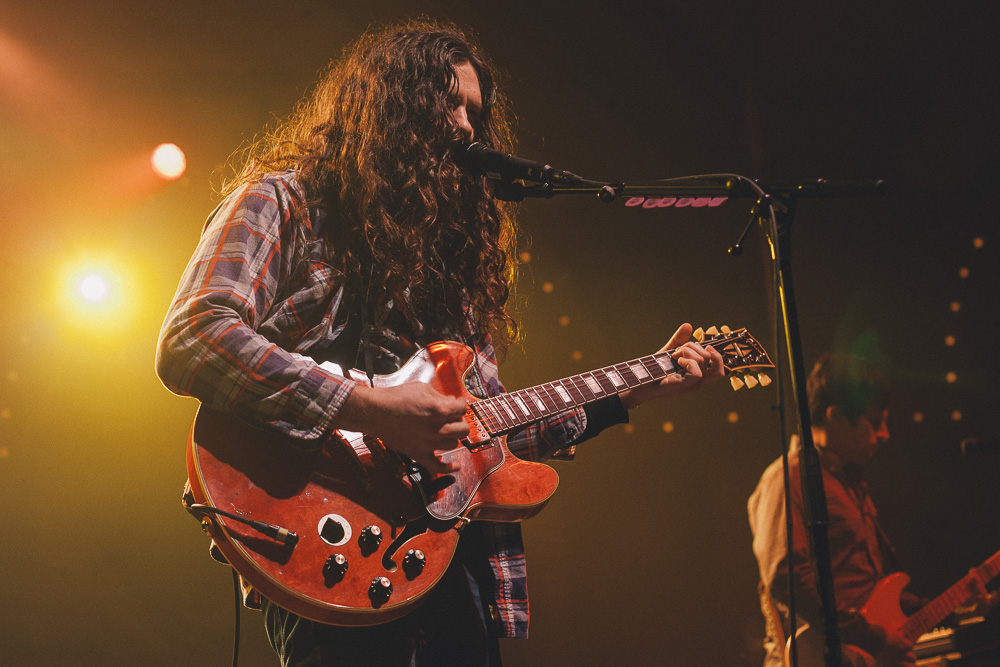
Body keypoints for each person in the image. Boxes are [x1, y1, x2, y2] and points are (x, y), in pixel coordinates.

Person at [155, 21, 724, 667]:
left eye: (474, 113)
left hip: (451, 569)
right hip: (329, 540)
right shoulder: (283, 200)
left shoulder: (450, 264)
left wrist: (639, 387)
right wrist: (369, 408)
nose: (464, 128)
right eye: (446, 102)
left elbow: (484, 441)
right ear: (387, 104)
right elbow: (194, 337)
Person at [748, 353, 926, 667]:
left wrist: (959, 604)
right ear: (836, 416)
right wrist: (873, 640)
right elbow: (785, 574)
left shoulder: (847, 484)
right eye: (874, 421)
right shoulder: (788, 479)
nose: (884, 433)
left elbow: (865, 591)